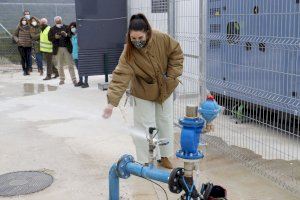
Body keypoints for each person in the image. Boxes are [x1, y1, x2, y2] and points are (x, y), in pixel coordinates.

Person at [102, 13, 184, 169]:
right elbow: (120, 77)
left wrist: (171, 77)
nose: (137, 42)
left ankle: (165, 156)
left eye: (140, 38)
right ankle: (147, 159)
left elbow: (177, 53)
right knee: (145, 126)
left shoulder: (162, 38)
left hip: (164, 88)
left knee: (165, 122)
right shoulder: (128, 53)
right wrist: (111, 103)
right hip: (142, 91)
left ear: (147, 32)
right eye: (133, 39)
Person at [48, 16, 77, 86]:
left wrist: (66, 34)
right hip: (57, 49)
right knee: (59, 65)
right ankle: (62, 79)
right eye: (57, 20)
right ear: (55, 21)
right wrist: (55, 37)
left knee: (70, 65)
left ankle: (74, 79)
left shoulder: (67, 27)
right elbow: (49, 38)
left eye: (59, 20)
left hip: (67, 48)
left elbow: (71, 35)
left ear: (61, 20)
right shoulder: (52, 29)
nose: (58, 21)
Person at [68, 22, 89, 88]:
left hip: (81, 55)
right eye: (71, 28)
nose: (72, 29)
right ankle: (80, 81)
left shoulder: (80, 36)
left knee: (84, 68)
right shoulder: (73, 37)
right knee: (79, 69)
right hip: (75, 55)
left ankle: (86, 82)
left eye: (73, 27)